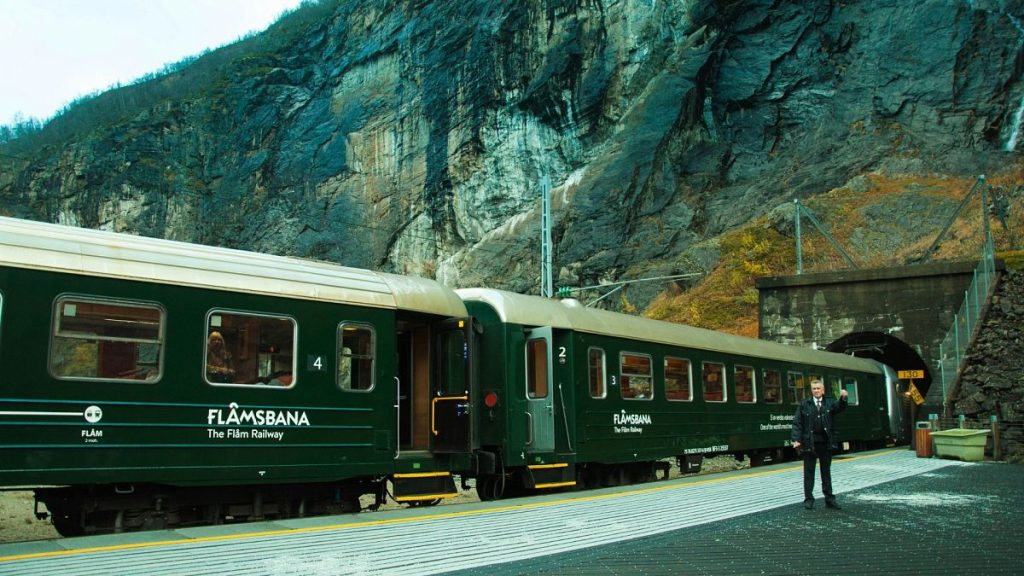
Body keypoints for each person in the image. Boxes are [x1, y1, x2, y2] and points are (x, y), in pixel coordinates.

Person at [791, 378, 848, 510]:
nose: (816, 391)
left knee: (825, 472)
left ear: (823, 390)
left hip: (825, 443)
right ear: (812, 391)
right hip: (809, 443)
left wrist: (843, 398)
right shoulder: (805, 404)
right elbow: (797, 423)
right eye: (814, 389)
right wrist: (796, 439)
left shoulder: (830, 402)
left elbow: (839, 407)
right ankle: (809, 499)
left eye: (818, 388)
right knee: (808, 473)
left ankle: (829, 499)